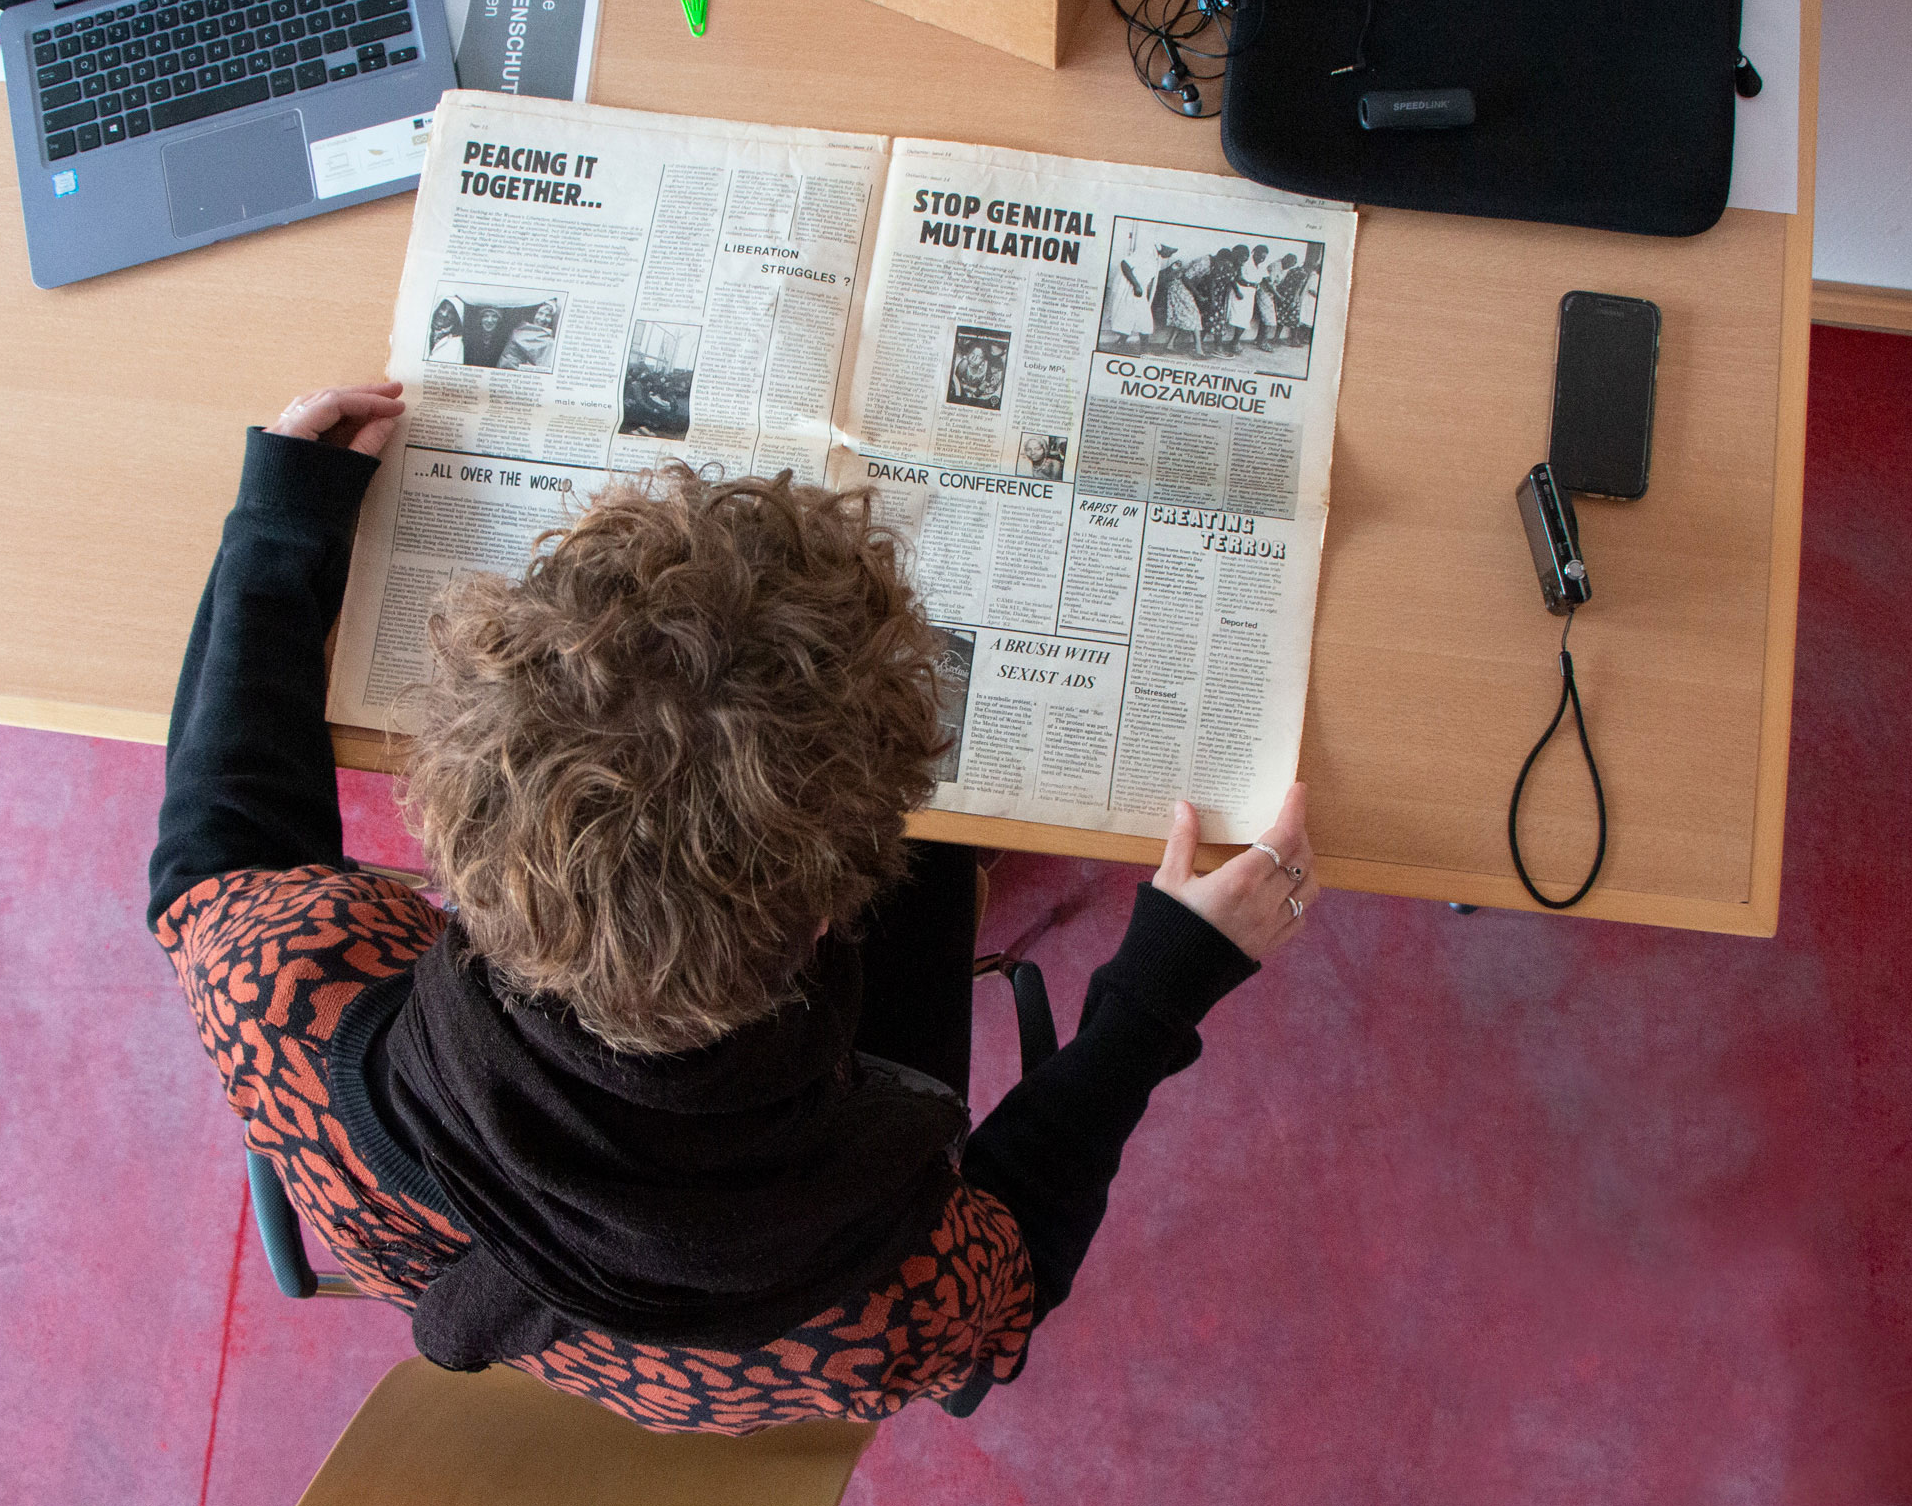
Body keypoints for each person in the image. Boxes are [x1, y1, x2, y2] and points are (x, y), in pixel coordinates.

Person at [147, 381, 1322, 1432]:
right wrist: (1159, 992)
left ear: (465, 825)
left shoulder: (285, 1004)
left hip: (625, 1267)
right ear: (829, 923)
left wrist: (282, 523)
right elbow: (1011, 1273)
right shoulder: (893, 1300)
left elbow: (215, 853)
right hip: (794, 1226)